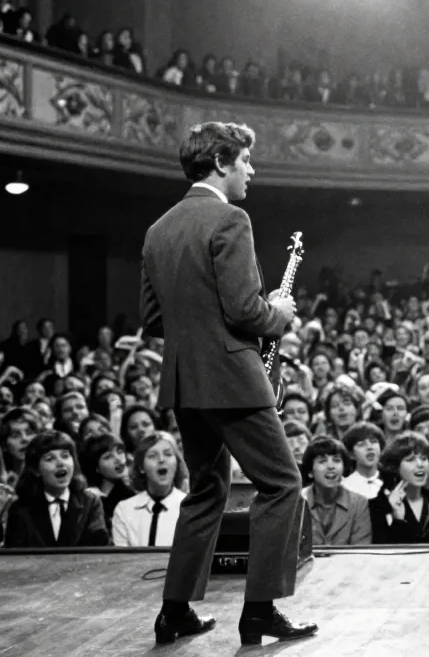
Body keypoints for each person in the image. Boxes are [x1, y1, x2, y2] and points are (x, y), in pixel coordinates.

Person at [140, 122, 316, 646]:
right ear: (221, 162)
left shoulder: (158, 229)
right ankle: (259, 610)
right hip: (233, 380)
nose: (251, 171)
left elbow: (153, 319)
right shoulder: (230, 219)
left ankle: (174, 612)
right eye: (245, 161)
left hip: (184, 381)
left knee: (206, 489)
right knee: (282, 484)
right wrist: (278, 313)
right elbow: (245, 312)